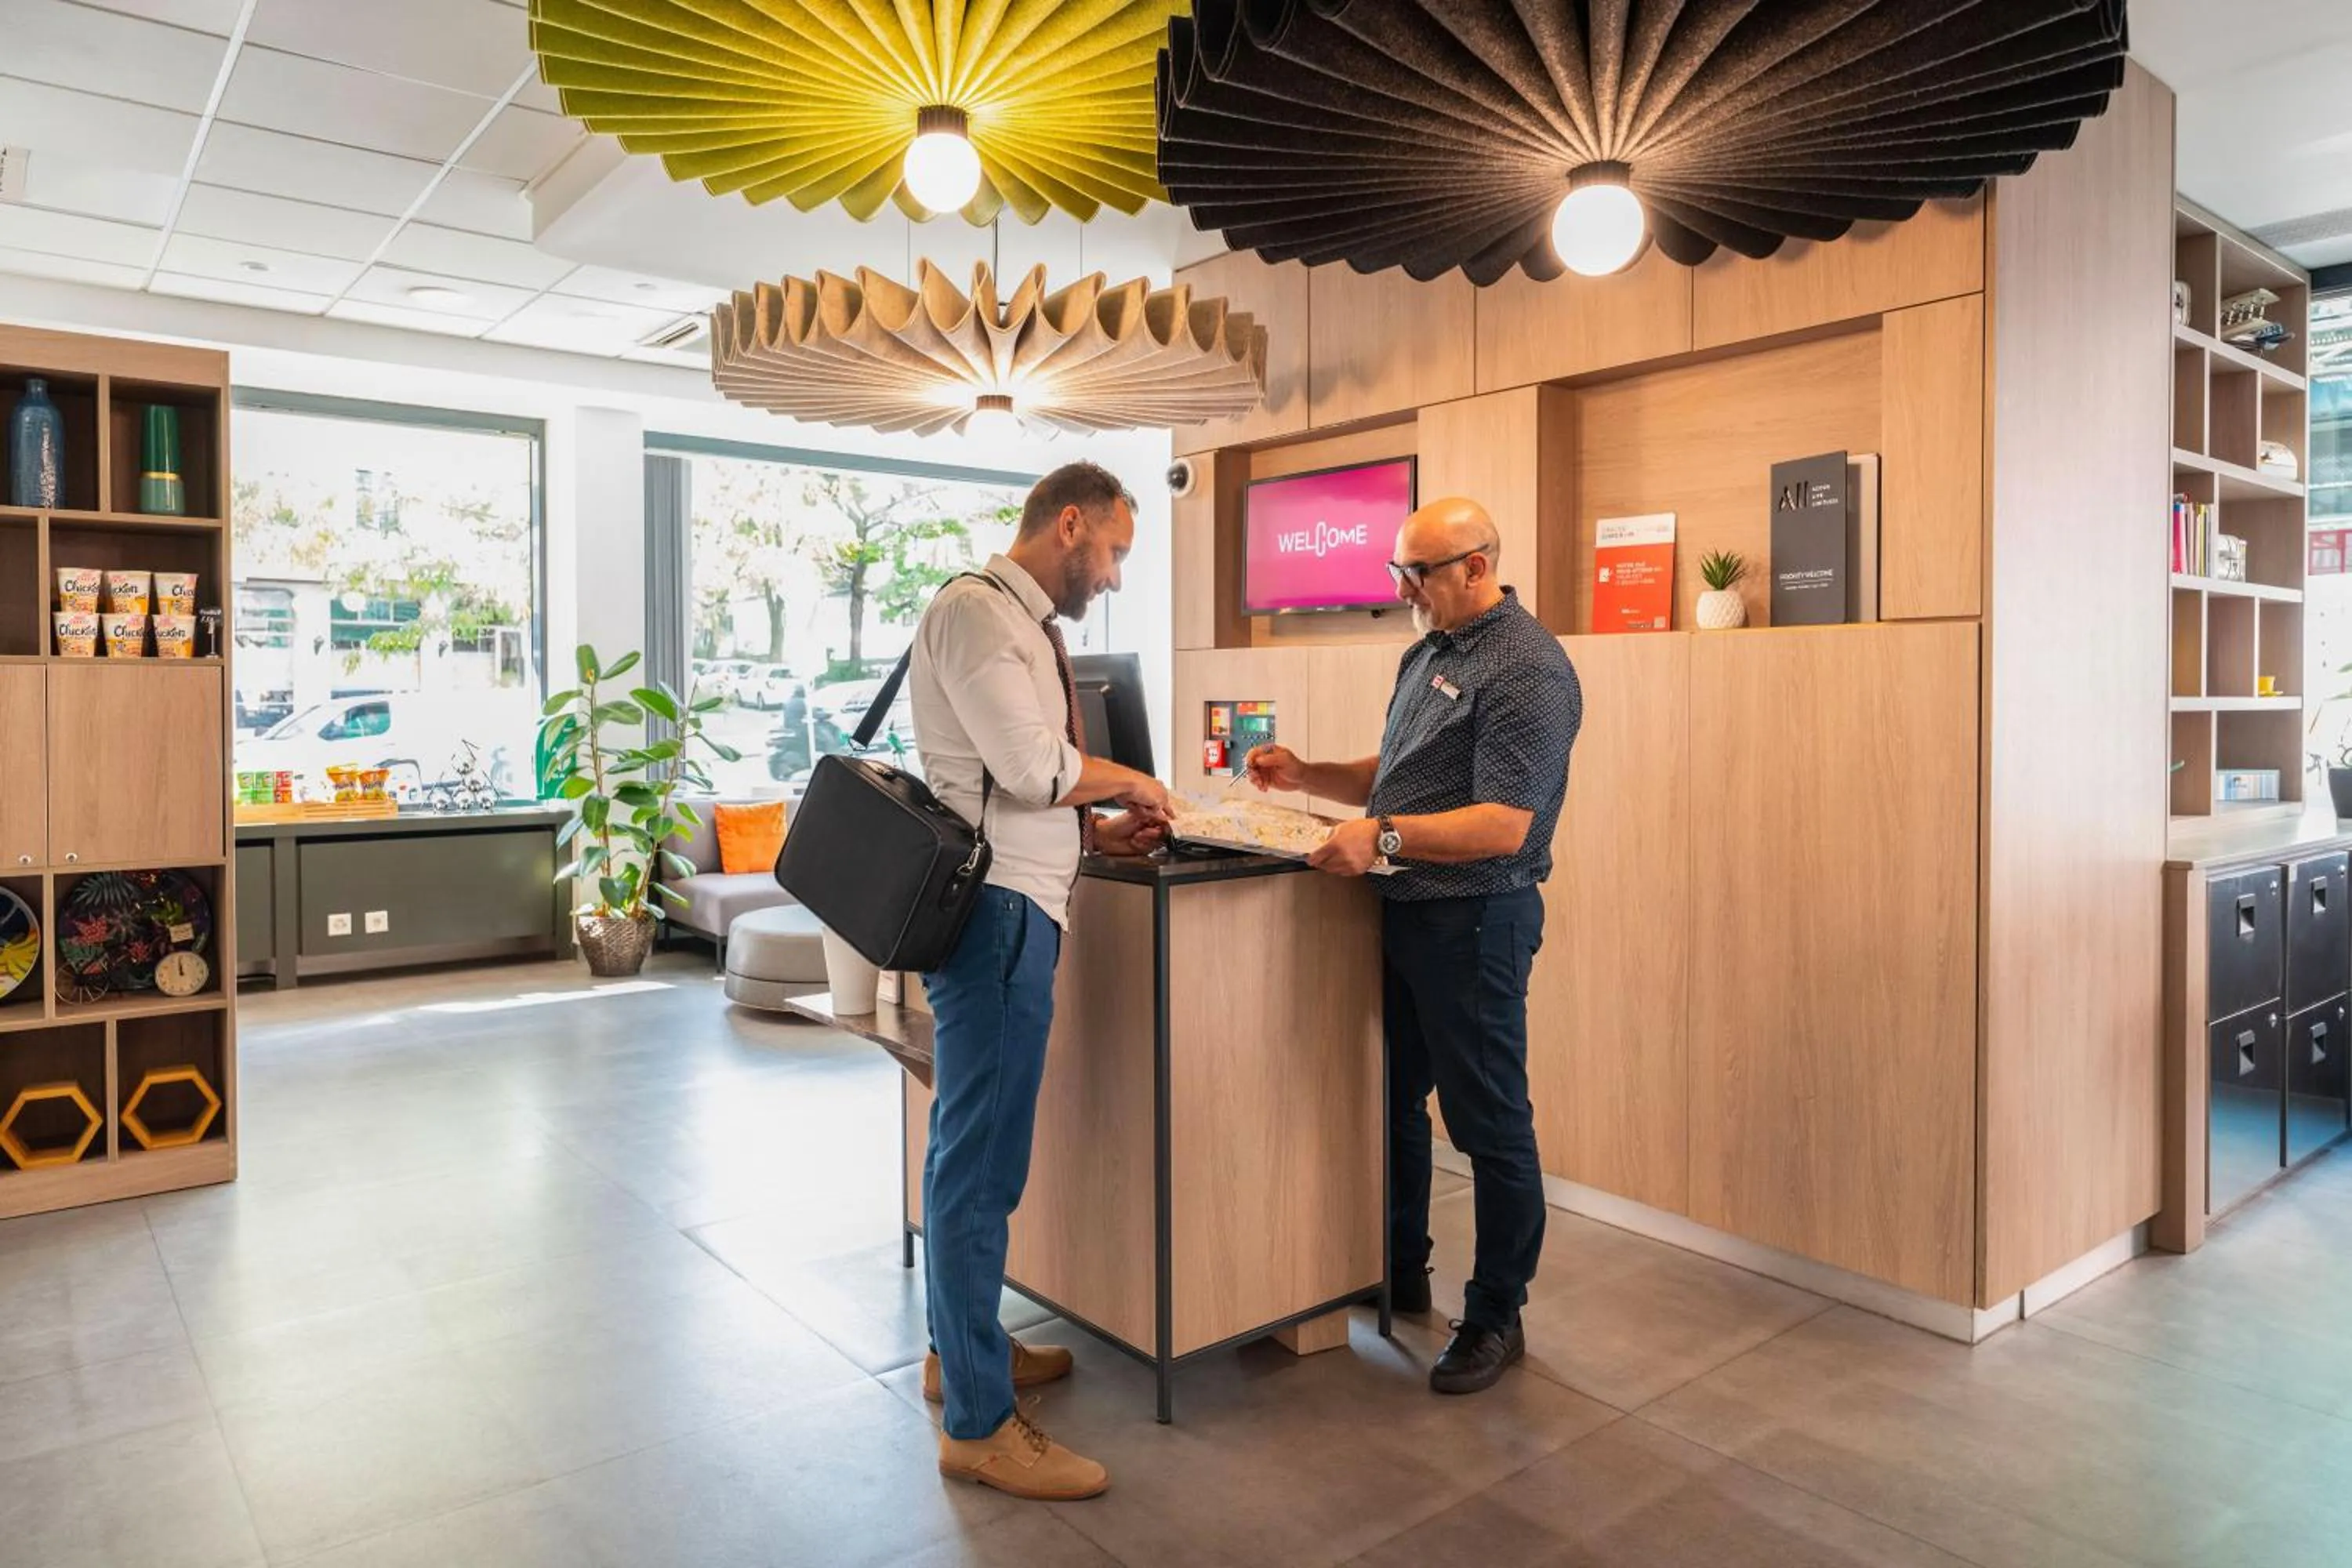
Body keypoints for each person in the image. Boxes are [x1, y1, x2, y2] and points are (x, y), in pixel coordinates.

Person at [1245, 496, 1581, 1396]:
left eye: (1418, 573)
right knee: (1389, 1097)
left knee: (1489, 1123)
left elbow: (1504, 824)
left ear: (1477, 565)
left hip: (1476, 921)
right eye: (1399, 571)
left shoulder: (1529, 670)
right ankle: (1399, 1268)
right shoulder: (1427, 652)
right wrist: (1308, 772)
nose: (1404, 589)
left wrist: (1382, 838)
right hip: (1403, 914)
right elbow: (1398, 774)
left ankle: (1495, 1313)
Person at [909, 460, 1171, 1499]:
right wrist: (1139, 781)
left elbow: (1018, 790)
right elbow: (1030, 769)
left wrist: (1098, 826)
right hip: (996, 926)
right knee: (979, 1169)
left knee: (979, 1159)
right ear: (1071, 526)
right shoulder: (980, 617)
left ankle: (958, 1351)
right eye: (1113, 552)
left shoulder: (1020, 624)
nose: (1111, 577)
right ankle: (978, 1423)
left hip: (1021, 909)